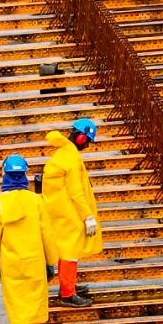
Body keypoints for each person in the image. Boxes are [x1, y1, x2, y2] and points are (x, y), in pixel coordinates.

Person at [0, 154, 61, 324]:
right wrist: (51, 262)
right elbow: (47, 235)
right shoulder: (36, 201)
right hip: (35, 264)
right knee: (37, 310)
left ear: (5, 175)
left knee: (18, 313)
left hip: (12, 267)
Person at [42, 119, 100, 308]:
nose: (87, 145)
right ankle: (68, 293)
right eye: (87, 141)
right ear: (81, 138)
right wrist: (87, 216)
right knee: (70, 253)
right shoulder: (71, 159)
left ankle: (68, 285)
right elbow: (76, 192)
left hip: (60, 210)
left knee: (66, 251)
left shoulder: (64, 152)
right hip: (68, 211)